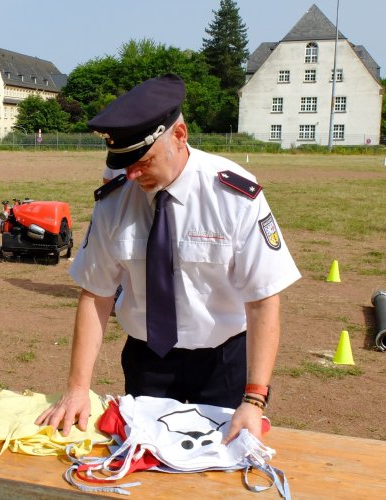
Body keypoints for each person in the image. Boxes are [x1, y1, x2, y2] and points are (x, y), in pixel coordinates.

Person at [35, 74, 301, 444]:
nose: (131, 173)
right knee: (147, 459)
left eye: (142, 160)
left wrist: (254, 400)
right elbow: (95, 294)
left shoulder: (233, 195)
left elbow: (262, 300)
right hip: (148, 361)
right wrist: (78, 387)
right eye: (123, 162)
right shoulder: (115, 201)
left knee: (220, 471)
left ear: (179, 135)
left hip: (223, 362)